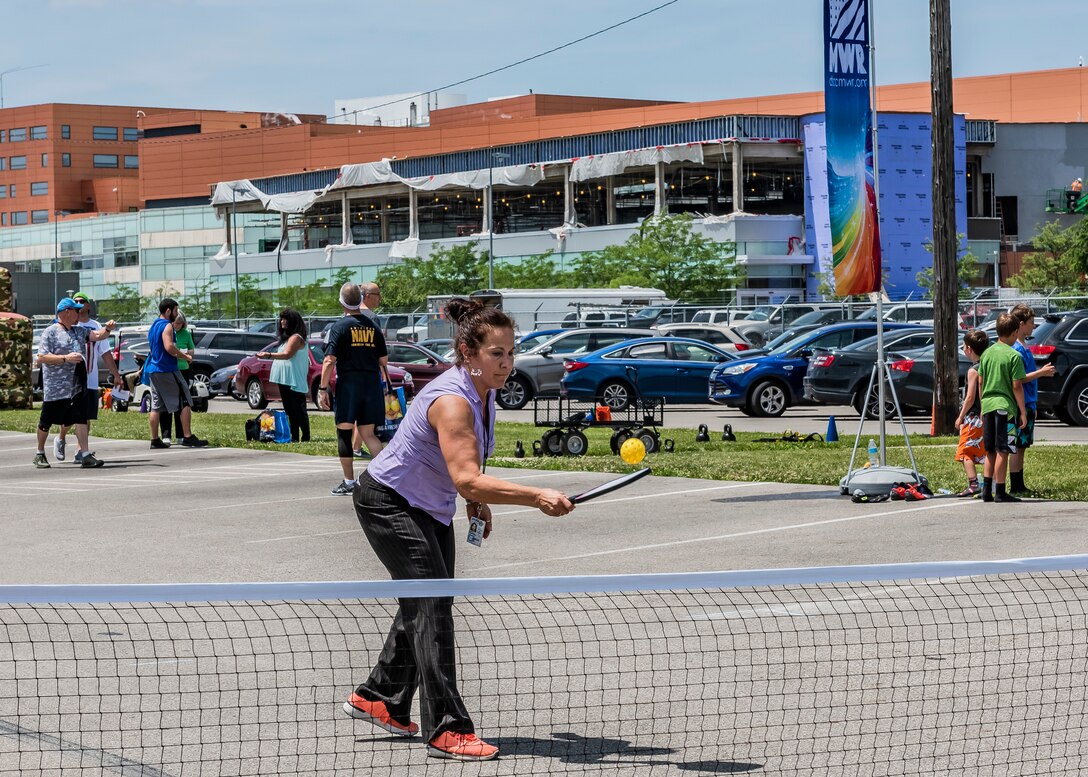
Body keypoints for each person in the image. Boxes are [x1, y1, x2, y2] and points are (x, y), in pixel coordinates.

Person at [343, 298, 574, 761]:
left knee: (430, 599)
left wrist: (476, 502)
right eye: (496, 354)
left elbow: (467, 470)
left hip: (426, 505)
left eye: (511, 352)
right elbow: (465, 474)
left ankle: (379, 696)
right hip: (388, 502)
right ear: (467, 351)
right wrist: (535, 495)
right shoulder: (452, 400)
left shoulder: (483, 390)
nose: (507, 363)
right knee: (432, 608)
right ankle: (448, 729)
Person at [320, 283, 389, 494]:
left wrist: (323, 388)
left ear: (341, 301)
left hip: (349, 384)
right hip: (371, 384)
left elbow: (330, 360)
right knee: (369, 434)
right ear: (361, 300)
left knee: (344, 431)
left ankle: (349, 482)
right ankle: (388, 478)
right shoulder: (372, 327)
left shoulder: (339, 327)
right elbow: (383, 361)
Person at [33, 297, 112, 469]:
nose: (79, 313)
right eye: (76, 310)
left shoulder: (79, 331)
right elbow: (41, 357)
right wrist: (65, 358)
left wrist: (107, 329)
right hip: (56, 387)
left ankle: (85, 454)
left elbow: (98, 336)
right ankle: (39, 453)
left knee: (81, 418)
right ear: (66, 312)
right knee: (46, 420)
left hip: (76, 385)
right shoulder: (50, 332)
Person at [55, 292, 122, 464]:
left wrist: (116, 374)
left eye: (81, 301)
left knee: (85, 415)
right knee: (72, 414)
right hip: (71, 379)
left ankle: (81, 450)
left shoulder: (93, 326)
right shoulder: (62, 328)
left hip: (89, 378)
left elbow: (105, 351)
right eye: (75, 302)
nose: (79, 304)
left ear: (87, 305)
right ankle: (61, 437)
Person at [976, 312, 1027, 502]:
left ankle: (986, 491)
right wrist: (1022, 411)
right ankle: (1000, 491)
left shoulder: (986, 354)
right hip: (1005, 408)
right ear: (1015, 333)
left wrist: (982, 406)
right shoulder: (1014, 356)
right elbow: (1017, 386)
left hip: (988, 406)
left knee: (989, 450)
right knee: (1003, 450)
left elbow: (981, 382)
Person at [146, 299, 208, 449]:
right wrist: (185, 356)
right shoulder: (167, 326)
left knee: (156, 406)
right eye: (175, 310)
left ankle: (154, 439)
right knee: (185, 400)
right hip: (167, 370)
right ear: (168, 311)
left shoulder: (154, 325)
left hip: (154, 370)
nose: (176, 313)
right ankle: (187, 436)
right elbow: (169, 347)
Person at [1008, 304, 1056, 495]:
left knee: (1023, 446)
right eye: (1031, 323)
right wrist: (1041, 373)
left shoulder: (1023, 346)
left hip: (1029, 402)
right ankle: (1015, 484)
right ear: (1020, 324)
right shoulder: (1017, 350)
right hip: (1022, 403)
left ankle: (1020, 482)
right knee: (1018, 446)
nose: (1033, 327)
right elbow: (1018, 379)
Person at [256, 308, 310, 442]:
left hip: (294, 379)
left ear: (293, 322)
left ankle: (305, 436)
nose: (282, 321)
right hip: (285, 379)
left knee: (298, 409)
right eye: (281, 318)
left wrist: (268, 355)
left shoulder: (296, 337)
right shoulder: (286, 338)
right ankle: (294, 436)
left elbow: (287, 355)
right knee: (289, 409)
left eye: (285, 319)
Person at [953, 329, 989, 497]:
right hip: (987, 413)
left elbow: (970, 397)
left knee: (966, 451)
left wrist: (960, 416)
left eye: (963, 347)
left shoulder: (973, 370)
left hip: (973, 417)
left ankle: (973, 483)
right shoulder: (988, 364)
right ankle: (992, 483)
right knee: (987, 451)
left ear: (969, 348)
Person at [353, 281, 386, 458]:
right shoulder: (372, 318)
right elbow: (380, 351)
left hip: (351, 373)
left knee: (359, 413)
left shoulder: (348, 316)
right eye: (377, 294)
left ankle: (355, 447)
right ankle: (360, 449)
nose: (379, 298)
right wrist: (384, 371)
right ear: (366, 296)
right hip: (369, 372)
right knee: (367, 416)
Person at [159, 311, 195, 445]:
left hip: (183, 369)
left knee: (182, 403)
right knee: (167, 403)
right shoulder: (167, 330)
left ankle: (181, 434)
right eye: (176, 323)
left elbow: (192, 350)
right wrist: (177, 351)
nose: (178, 325)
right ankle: (166, 435)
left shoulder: (186, 334)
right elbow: (167, 348)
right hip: (169, 370)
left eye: (180, 323)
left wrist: (182, 352)